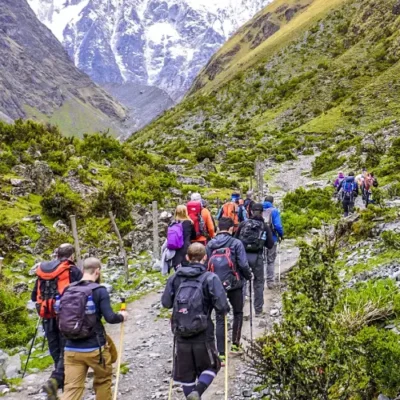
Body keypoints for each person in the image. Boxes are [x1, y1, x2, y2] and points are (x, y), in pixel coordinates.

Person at [162, 243, 229, 400]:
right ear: (205, 257)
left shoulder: (175, 277)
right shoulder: (210, 278)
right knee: (212, 366)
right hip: (203, 332)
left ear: (187, 257)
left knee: (186, 375)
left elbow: (166, 303)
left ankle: (192, 395)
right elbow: (222, 306)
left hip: (180, 332)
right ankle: (198, 392)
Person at [61, 257, 127, 400]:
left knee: (72, 389)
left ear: (82, 270)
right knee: (103, 382)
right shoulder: (99, 290)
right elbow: (110, 317)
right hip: (94, 349)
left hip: (70, 349)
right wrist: (122, 316)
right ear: (97, 271)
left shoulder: (68, 288)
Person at [31, 243, 82, 399]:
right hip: (65, 314)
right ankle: (56, 379)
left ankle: (59, 379)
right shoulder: (71, 270)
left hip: (46, 314)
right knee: (66, 347)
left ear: (57, 254)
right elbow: (82, 290)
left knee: (54, 347)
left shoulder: (44, 270)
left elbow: (34, 296)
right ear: (72, 255)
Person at [206, 217, 252, 362]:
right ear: (232, 228)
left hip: (215, 284)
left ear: (219, 228)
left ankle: (221, 353)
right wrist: (248, 276)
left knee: (220, 317)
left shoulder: (211, 244)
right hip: (234, 283)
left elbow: (206, 263)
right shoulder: (236, 243)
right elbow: (243, 264)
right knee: (238, 312)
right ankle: (235, 345)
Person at [236, 203, 274, 316]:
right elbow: (270, 245)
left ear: (251, 211)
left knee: (242, 282)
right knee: (258, 282)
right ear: (262, 212)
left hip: (243, 256)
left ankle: (240, 310)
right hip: (257, 257)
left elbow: (235, 240)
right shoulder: (264, 226)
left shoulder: (243, 224)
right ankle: (258, 310)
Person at [262, 196, 284, 289]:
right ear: (272, 202)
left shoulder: (258, 209)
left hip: (259, 239)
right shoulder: (274, 211)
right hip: (272, 238)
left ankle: (259, 282)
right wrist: (281, 235)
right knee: (270, 261)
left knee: (261, 261)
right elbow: (278, 225)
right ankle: (270, 282)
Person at [168, 205, 196, 271]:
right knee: (187, 268)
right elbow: (194, 236)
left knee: (177, 269)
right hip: (186, 248)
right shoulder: (189, 223)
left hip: (175, 249)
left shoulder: (172, 223)